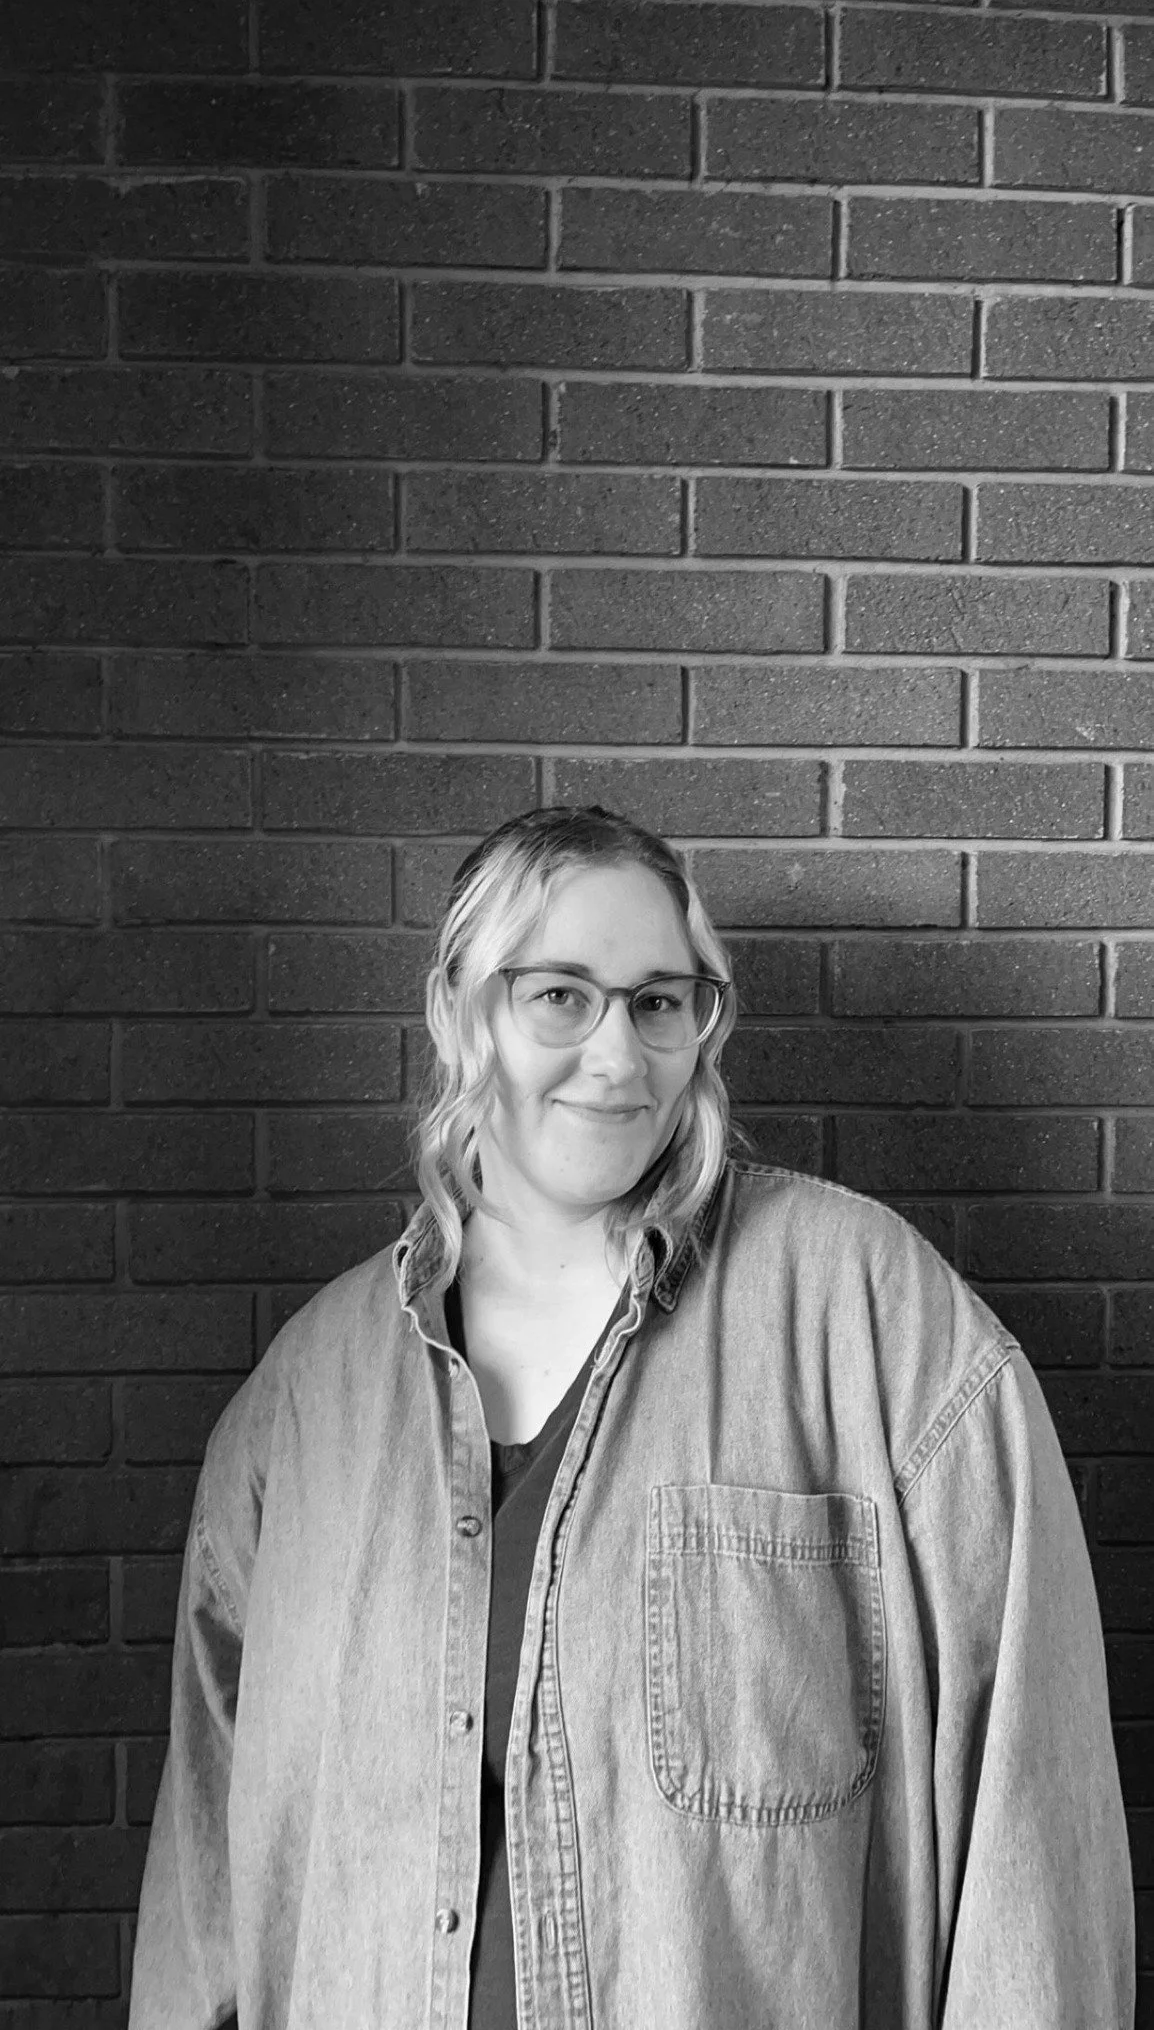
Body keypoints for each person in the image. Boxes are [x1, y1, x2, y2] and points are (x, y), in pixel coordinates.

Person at [130, 803, 1134, 2030]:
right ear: (455, 1011)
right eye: (559, 995)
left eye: (658, 1002)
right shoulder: (301, 1404)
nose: (617, 1057)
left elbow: (1030, 1830)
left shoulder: (871, 1323)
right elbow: (203, 1904)